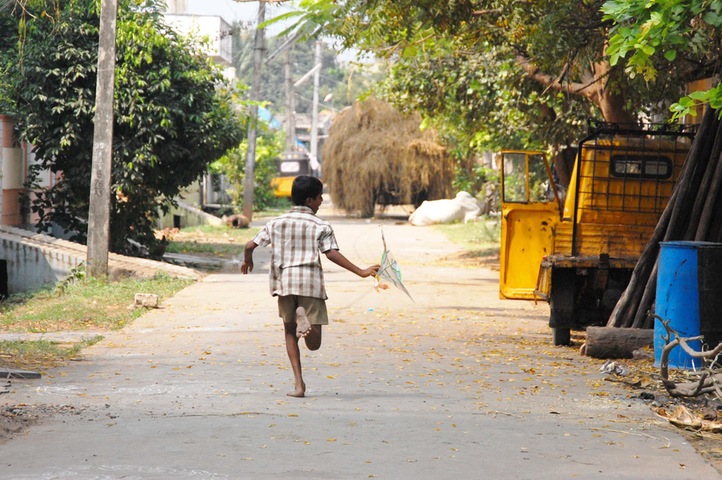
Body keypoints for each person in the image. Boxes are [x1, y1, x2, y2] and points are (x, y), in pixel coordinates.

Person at [241, 176, 379, 398]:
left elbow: (250, 245)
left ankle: (298, 385)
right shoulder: (320, 225)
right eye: (319, 197)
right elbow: (331, 253)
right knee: (314, 344)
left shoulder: (275, 222)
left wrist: (248, 260)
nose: (322, 201)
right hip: (310, 283)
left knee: (289, 332)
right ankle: (306, 323)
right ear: (308, 200)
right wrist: (361, 271)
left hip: (284, 284)